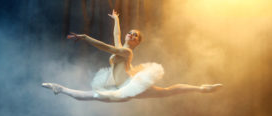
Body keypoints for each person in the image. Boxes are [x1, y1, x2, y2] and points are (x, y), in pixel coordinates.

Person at [42, 10, 222, 102]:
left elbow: (105, 47)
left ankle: (202, 88)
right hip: (118, 88)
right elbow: (116, 37)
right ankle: (60, 89)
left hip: (130, 85)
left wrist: (85, 37)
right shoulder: (122, 46)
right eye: (131, 33)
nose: (132, 35)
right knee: (85, 97)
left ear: (137, 43)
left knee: (167, 91)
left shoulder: (126, 51)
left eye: (136, 36)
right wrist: (116, 20)